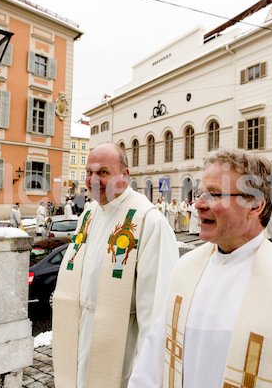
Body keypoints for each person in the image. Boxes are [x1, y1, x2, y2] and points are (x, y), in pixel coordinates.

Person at [129, 148, 272, 388]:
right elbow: (152, 363)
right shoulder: (185, 269)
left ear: (255, 206)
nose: (198, 204)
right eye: (199, 193)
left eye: (213, 194)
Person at [53, 143, 179, 388]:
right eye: (89, 172)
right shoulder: (89, 213)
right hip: (79, 335)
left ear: (125, 175)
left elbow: (155, 309)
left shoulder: (149, 221)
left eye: (103, 172)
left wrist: (147, 373)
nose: (93, 179)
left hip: (120, 347)